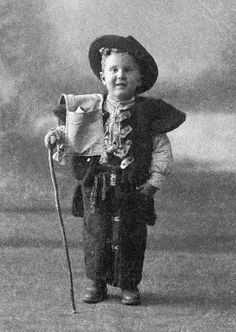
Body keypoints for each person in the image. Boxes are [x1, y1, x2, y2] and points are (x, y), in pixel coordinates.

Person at [45, 35, 186, 305]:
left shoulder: (148, 114)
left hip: (131, 189)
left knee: (130, 236)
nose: (120, 75)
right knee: (96, 234)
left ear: (139, 79)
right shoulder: (89, 110)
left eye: (128, 70)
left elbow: (161, 149)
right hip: (96, 188)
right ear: (102, 76)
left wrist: (154, 181)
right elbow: (69, 133)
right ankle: (97, 283)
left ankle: (128, 284)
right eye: (114, 70)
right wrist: (56, 136)